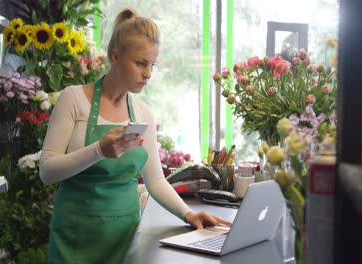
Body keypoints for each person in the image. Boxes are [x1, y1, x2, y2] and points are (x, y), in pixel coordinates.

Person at [39, 8, 231, 264]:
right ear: (116, 57)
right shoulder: (74, 99)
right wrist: (99, 150)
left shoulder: (143, 113)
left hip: (127, 240)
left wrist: (189, 215)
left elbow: (156, 182)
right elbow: (47, 171)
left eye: (152, 65)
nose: (148, 74)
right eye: (140, 63)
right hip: (76, 240)